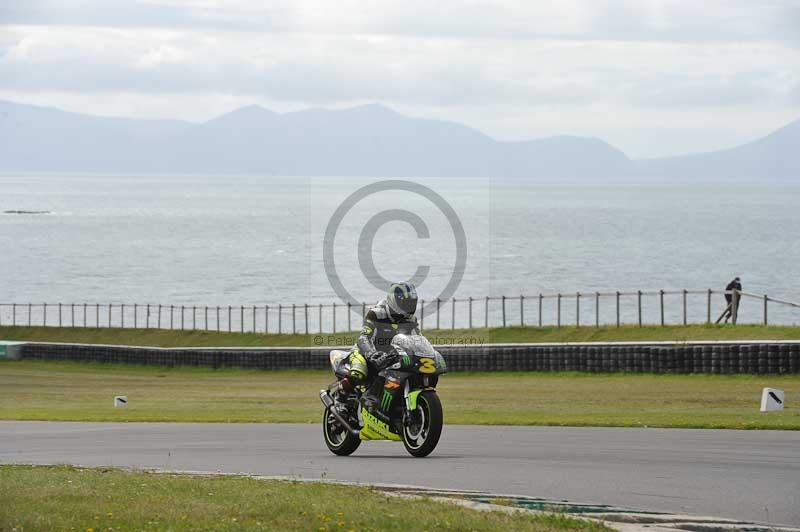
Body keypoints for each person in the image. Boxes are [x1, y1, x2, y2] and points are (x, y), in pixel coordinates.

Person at [335, 282, 420, 418]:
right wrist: (371, 354)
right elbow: (363, 338)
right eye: (405, 303)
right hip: (365, 352)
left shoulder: (411, 319)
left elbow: (417, 340)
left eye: (411, 303)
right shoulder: (377, 313)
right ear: (394, 301)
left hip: (392, 356)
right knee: (358, 371)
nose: (409, 307)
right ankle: (341, 398)